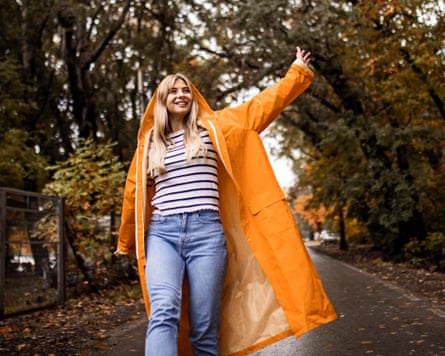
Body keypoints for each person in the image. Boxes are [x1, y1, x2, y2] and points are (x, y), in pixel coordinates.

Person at [115, 46, 336, 356]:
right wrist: (126, 240)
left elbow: (262, 105)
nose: (181, 95)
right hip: (162, 234)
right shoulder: (150, 143)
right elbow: (134, 194)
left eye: (186, 90)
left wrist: (297, 71)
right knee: (163, 311)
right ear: (162, 100)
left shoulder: (215, 127)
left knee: (205, 324)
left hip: (207, 235)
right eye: (173, 91)